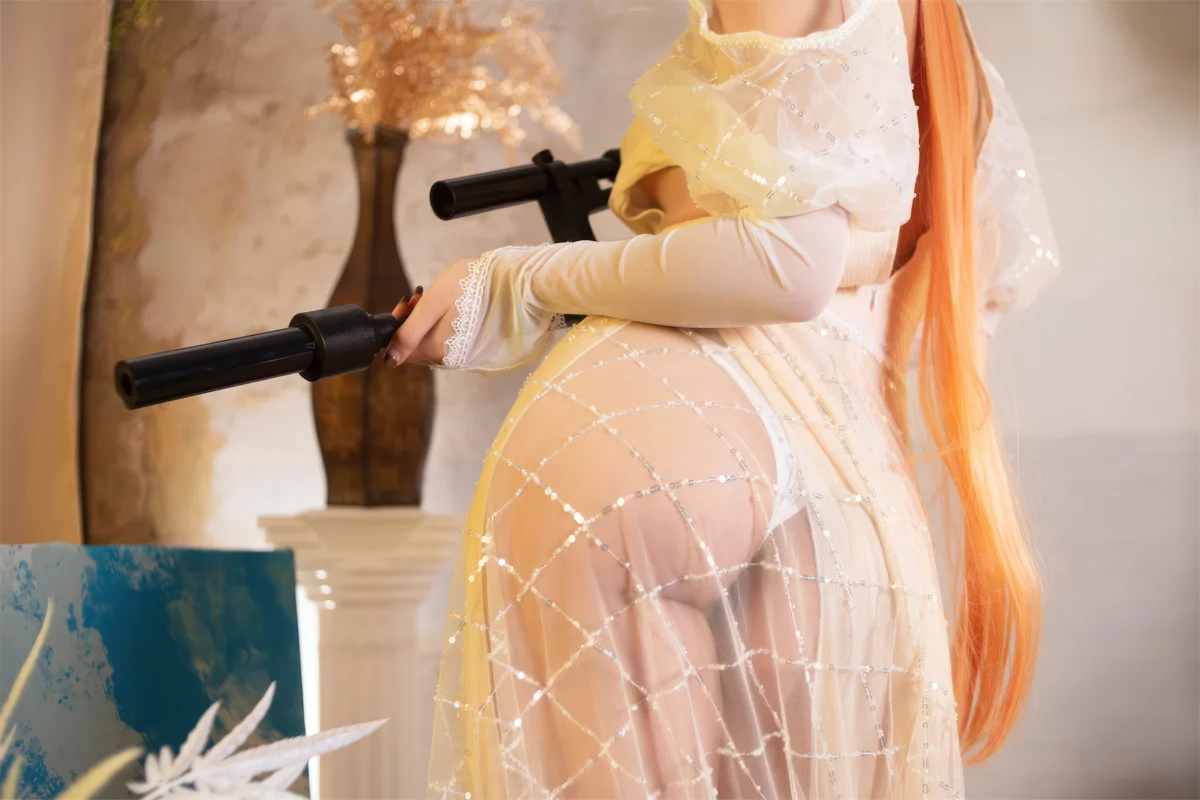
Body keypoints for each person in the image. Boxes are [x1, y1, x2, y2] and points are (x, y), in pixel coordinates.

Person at [392, 0, 1060, 796]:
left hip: (664, 446)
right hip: (839, 484)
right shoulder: (942, 40)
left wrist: (522, 280)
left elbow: (788, 266)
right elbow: (959, 274)